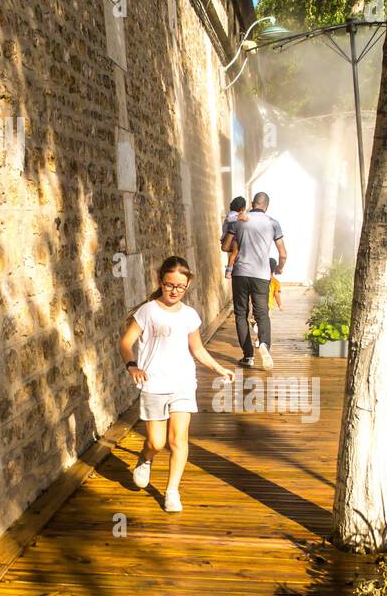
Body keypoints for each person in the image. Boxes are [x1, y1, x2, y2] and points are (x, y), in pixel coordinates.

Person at [119, 256, 236, 513]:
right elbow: (125, 344)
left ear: (187, 286)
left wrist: (219, 368)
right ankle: (145, 457)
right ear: (161, 282)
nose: (174, 291)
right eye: (170, 285)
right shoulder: (147, 311)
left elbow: (197, 349)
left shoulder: (189, 315)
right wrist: (132, 366)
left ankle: (172, 491)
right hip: (153, 385)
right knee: (157, 442)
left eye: (180, 287)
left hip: (183, 383)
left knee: (178, 440)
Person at [222, 192, 286, 370]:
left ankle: (248, 356)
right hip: (261, 275)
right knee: (262, 313)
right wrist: (279, 268)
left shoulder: (239, 220)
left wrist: (237, 242)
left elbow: (226, 246)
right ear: (267, 206)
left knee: (241, 314)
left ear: (252, 203)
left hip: (240, 273)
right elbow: (283, 253)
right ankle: (264, 344)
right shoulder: (273, 223)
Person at [220, 196, 250, 275]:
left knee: (236, 253)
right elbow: (230, 219)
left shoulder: (234, 214)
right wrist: (240, 218)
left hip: (232, 238)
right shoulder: (233, 215)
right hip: (230, 238)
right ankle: (228, 270)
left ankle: (231, 268)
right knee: (235, 252)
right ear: (242, 208)